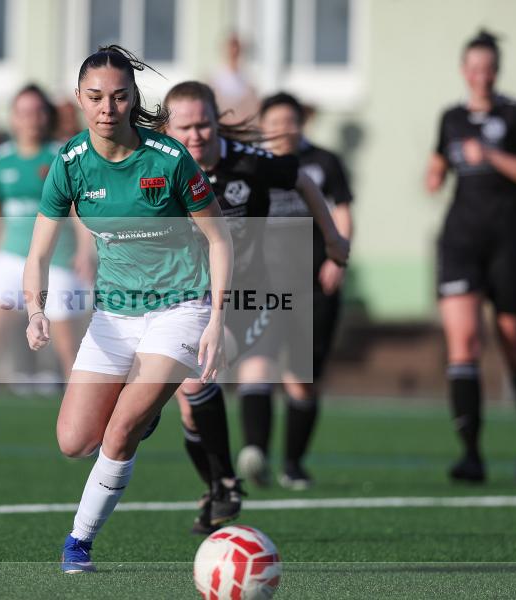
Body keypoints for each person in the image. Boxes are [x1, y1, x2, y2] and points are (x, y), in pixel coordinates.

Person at [24, 46, 232, 573]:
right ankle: (144, 412)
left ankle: (79, 543)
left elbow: (220, 238)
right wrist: (35, 309)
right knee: (74, 442)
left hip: (181, 307)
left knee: (119, 431)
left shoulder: (168, 159)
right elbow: (39, 250)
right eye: (95, 97)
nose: (107, 108)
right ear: (78, 99)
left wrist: (217, 319)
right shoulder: (69, 164)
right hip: (114, 316)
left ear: (133, 98)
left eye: (119, 97)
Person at [161, 82, 349, 533]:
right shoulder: (160, 165)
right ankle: (216, 486)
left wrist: (332, 238)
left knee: (196, 375)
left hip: (247, 297)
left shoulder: (250, 162)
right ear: (170, 127)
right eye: (184, 127)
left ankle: (227, 481)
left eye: (203, 124)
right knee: (188, 405)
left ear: (216, 119)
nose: (196, 135)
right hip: (184, 298)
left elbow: (301, 178)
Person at [425, 30, 516, 483]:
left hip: (510, 238)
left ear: (497, 71)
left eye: (488, 68)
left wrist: (493, 156)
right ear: (464, 71)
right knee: (464, 343)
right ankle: (471, 454)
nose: (481, 75)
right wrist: (434, 174)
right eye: (474, 68)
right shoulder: (451, 117)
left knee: (513, 340)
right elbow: (437, 166)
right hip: (461, 239)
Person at [0, 85, 91, 454]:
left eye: (37, 111)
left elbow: (79, 209)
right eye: (23, 111)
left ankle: (89, 434)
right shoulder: (0, 159)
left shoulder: (63, 155)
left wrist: (87, 251)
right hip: (10, 262)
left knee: (72, 353)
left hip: (57, 262)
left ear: (47, 116)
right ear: (12, 117)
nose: (30, 119)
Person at [236, 91, 354, 491]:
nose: (281, 128)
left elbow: (342, 212)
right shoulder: (249, 163)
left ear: (301, 123)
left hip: (311, 285)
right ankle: (255, 452)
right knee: (257, 363)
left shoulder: (324, 162)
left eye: (289, 120)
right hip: (261, 283)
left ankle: (294, 463)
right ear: (262, 126)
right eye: (274, 122)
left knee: (301, 379)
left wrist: (336, 259)